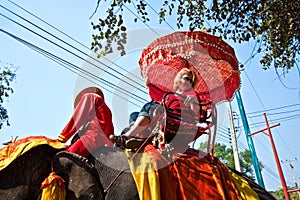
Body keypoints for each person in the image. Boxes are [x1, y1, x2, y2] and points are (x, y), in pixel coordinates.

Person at [110, 68, 199, 149]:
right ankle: (133, 137)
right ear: (179, 79)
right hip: (166, 114)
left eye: (191, 81)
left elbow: (195, 114)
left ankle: (128, 136)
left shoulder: (191, 94)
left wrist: (194, 101)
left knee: (149, 106)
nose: (189, 82)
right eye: (187, 78)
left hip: (174, 118)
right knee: (134, 115)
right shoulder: (172, 95)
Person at [57, 87, 114, 158]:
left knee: (65, 157)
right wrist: (111, 147)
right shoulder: (107, 110)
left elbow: (78, 117)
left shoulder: (89, 96)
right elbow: (110, 135)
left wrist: (62, 137)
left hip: (90, 138)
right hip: (101, 143)